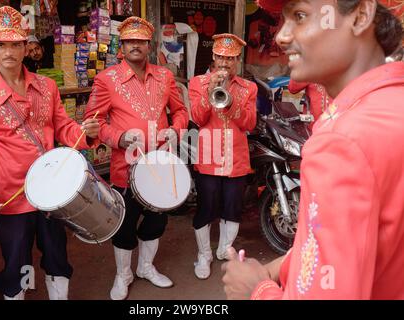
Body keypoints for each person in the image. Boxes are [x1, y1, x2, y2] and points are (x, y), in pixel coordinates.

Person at [221, 0, 404, 299]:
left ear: (360, 16)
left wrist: (257, 289)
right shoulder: (391, 107)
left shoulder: (341, 141)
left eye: (300, 16)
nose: (281, 36)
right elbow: (353, 245)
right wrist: (278, 269)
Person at [0, 6, 99, 300]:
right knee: (17, 265)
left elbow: (64, 128)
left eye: (15, 44)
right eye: (1, 44)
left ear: (26, 47)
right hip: (12, 198)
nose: (9, 51)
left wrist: (86, 133)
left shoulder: (46, 87)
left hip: (53, 194)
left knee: (58, 256)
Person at [84, 16, 189, 300]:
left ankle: (145, 267)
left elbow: (181, 111)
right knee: (124, 225)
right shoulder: (107, 79)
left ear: (148, 44)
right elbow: (92, 121)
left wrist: (176, 131)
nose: (135, 46)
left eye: (140, 41)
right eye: (130, 41)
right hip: (124, 168)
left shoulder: (165, 76)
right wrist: (118, 138)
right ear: (122, 45)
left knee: (157, 221)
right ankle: (123, 275)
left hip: (161, 165)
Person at [188, 34, 257, 280]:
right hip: (208, 157)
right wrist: (211, 90)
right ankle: (204, 254)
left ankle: (224, 247)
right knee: (206, 208)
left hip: (236, 159)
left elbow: (249, 123)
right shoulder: (197, 82)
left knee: (232, 208)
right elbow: (197, 118)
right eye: (221, 57)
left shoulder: (249, 87)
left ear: (238, 60)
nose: (225, 63)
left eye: (231, 58)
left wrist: (231, 100)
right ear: (214, 57)